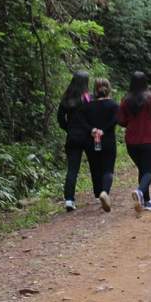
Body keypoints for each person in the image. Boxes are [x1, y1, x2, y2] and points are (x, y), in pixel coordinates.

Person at [119, 71, 151, 214]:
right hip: (147, 139)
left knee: (142, 169)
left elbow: (120, 120)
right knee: (148, 172)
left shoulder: (125, 100)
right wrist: (150, 123)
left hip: (131, 141)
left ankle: (147, 202)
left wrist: (130, 123)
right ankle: (140, 192)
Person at [82, 78, 119, 212]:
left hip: (91, 141)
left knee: (95, 168)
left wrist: (92, 130)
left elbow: (82, 122)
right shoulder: (114, 105)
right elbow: (116, 120)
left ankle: (98, 194)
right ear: (108, 89)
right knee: (108, 169)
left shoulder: (87, 106)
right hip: (108, 140)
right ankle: (105, 192)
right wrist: (104, 130)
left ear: (95, 90)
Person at [57, 71, 92, 212]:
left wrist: (68, 128)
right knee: (96, 165)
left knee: (72, 169)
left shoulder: (66, 99)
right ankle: (100, 192)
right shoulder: (88, 98)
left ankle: (69, 200)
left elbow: (60, 119)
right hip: (88, 136)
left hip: (72, 137)